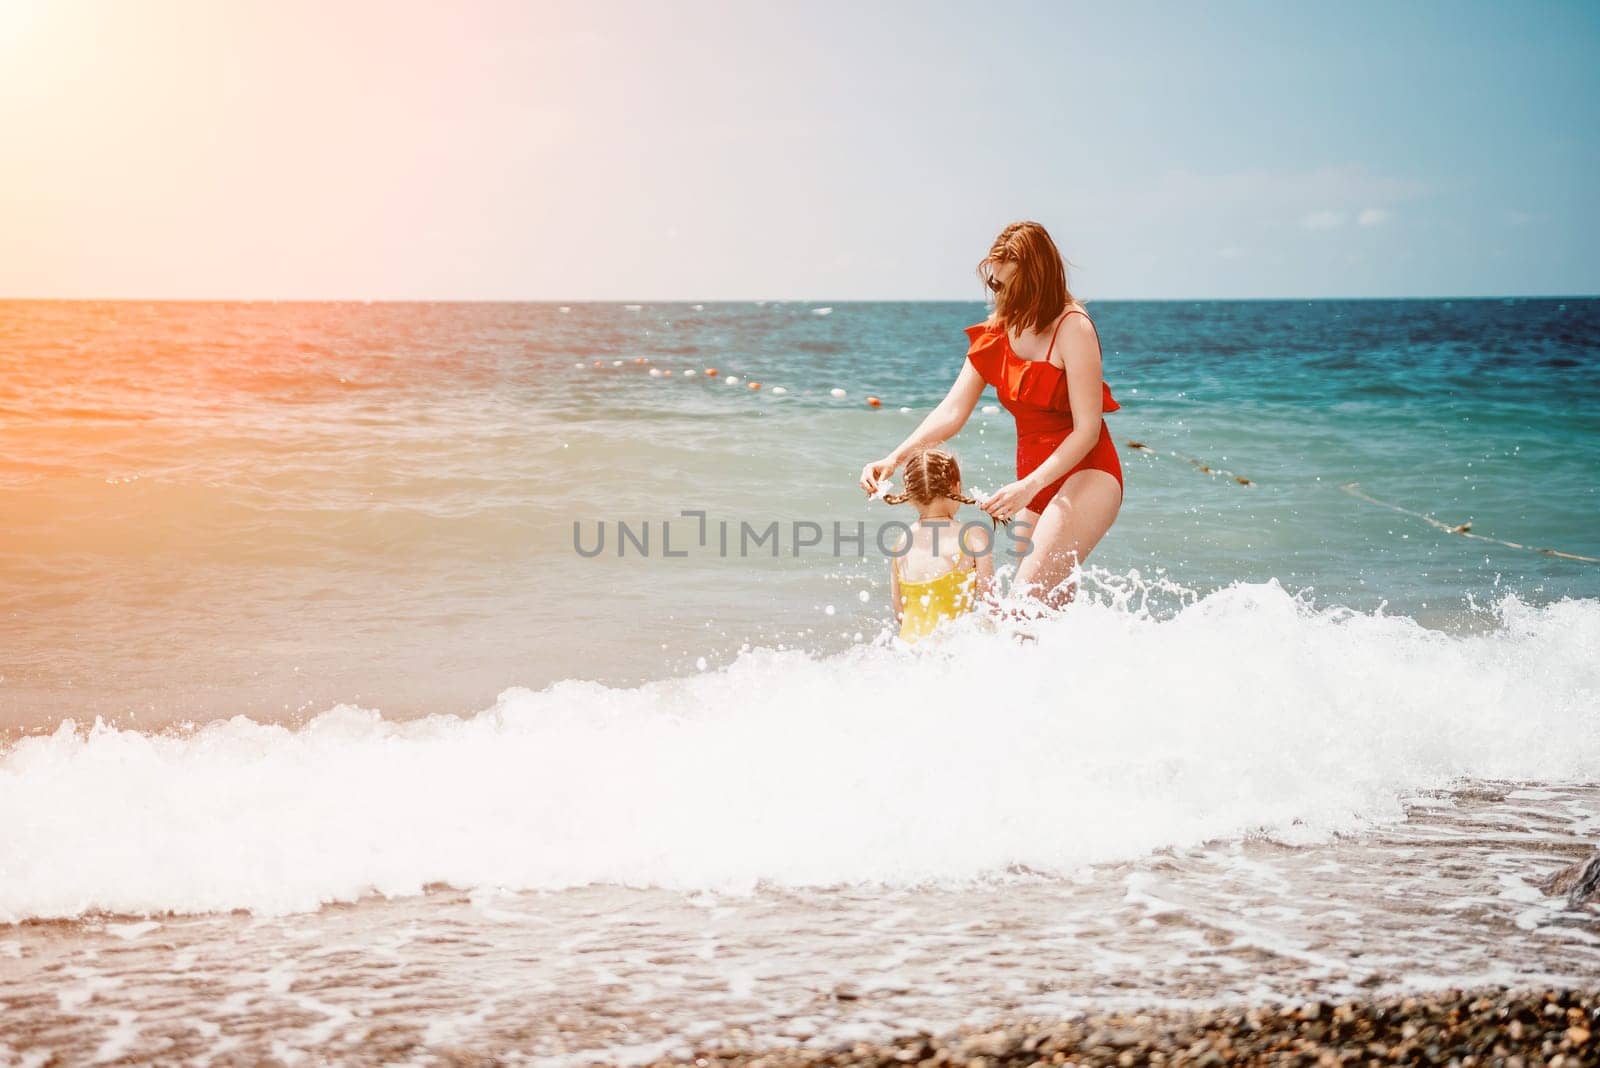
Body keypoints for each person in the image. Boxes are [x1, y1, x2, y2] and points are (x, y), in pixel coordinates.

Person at [859, 221, 1122, 606]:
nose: (1001, 294)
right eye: (996, 284)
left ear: (1037, 280)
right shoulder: (997, 331)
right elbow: (951, 410)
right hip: (1032, 482)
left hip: (1087, 472)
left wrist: (1028, 486)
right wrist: (894, 458)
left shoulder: (1073, 327)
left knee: (1023, 607)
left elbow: (1087, 431)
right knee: (1045, 618)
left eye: (1010, 285)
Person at [881, 448, 994, 642]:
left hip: (908, 651)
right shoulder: (974, 536)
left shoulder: (902, 542)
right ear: (956, 487)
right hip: (951, 651)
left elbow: (900, 613)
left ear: (911, 495)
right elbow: (991, 606)